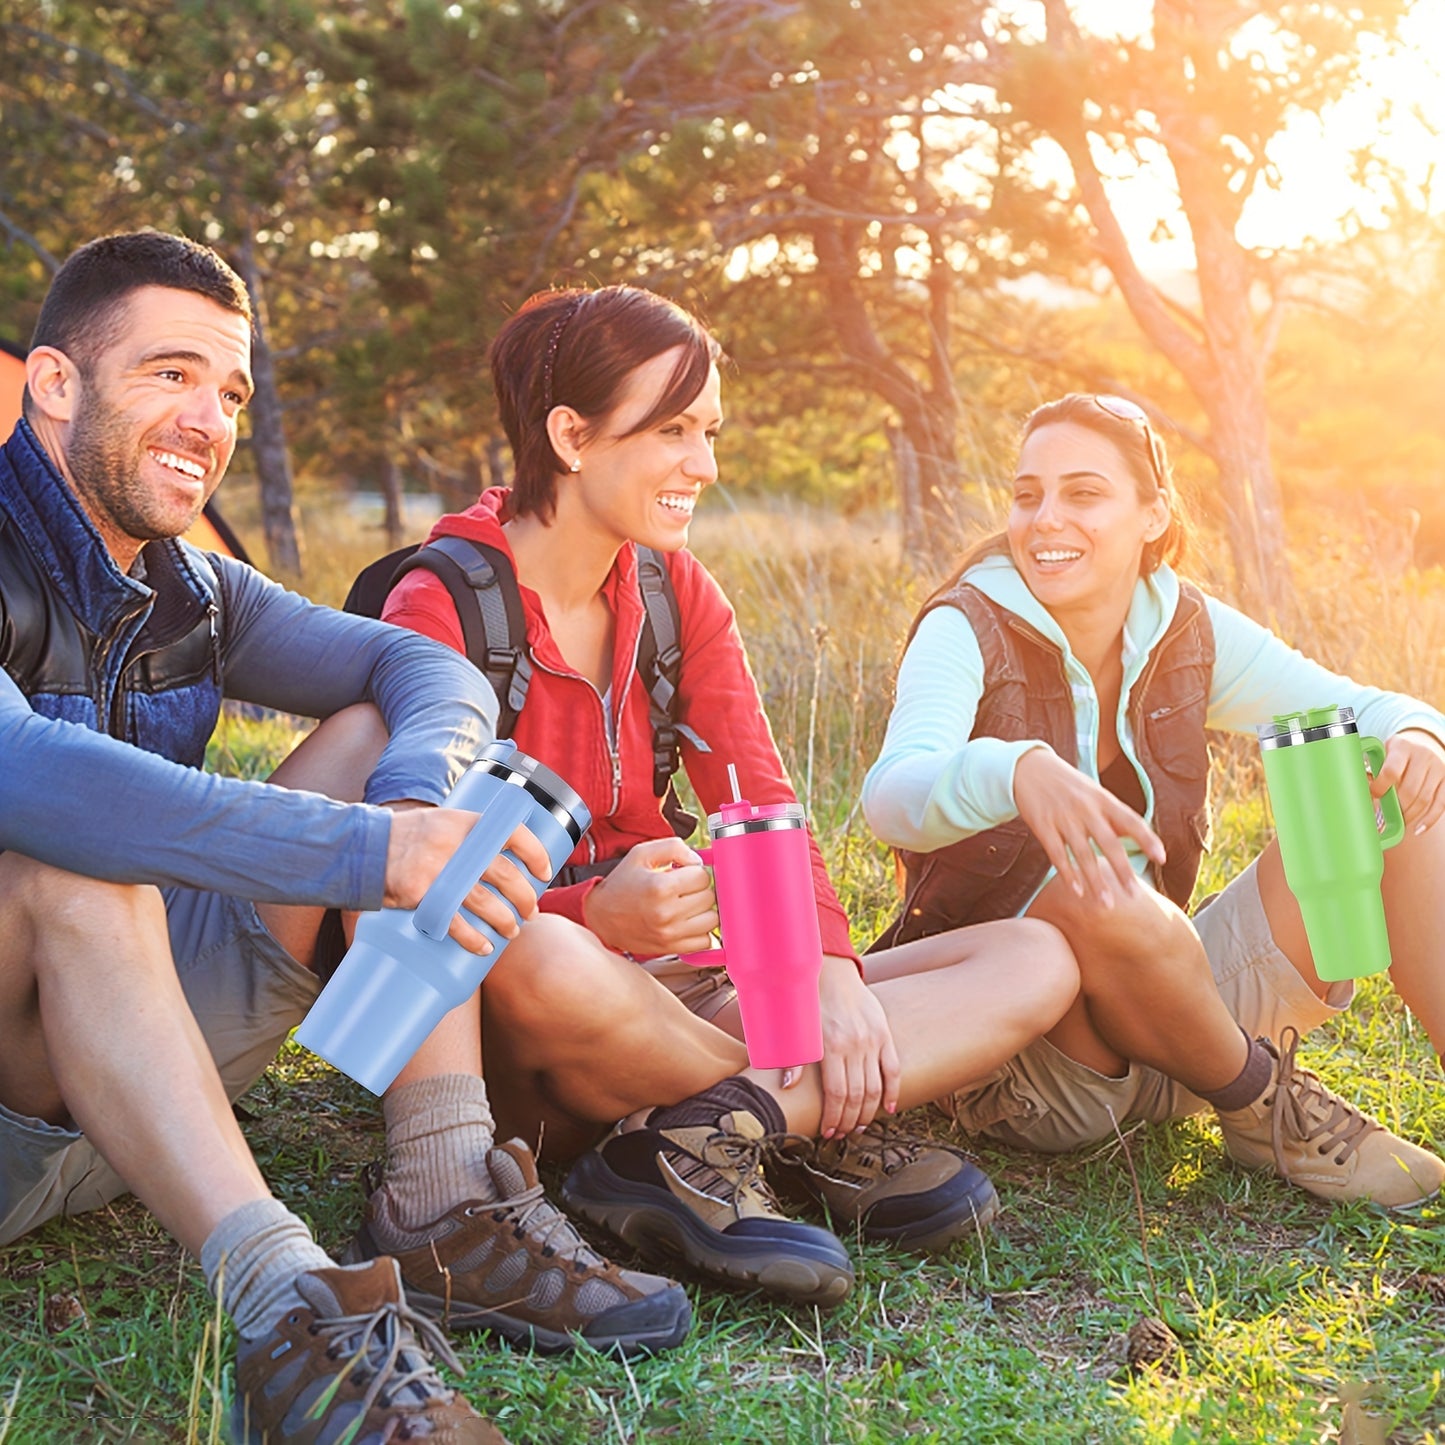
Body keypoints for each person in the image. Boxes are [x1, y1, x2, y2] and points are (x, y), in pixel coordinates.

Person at [0, 232, 690, 1445]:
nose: (205, 418)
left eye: (229, 391)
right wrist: (370, 857)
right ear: (55, 384)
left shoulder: (192, 587)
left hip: (120, 1083)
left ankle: (439, 1200)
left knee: (384, 731)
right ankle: (283, 1307)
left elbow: (416, 663)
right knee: (74, 854)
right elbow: (31, 777)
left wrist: (416, 807)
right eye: (169, 373)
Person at [373, 284, 1080, 1309]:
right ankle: (795, 1118)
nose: (703, 465)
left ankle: (706, 1133)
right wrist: (592, 911)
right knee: (543, 953)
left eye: (706, 431)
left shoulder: (675, 590)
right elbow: (419, 892)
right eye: (671, 430)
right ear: (569, 434)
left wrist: (832, 974)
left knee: (1031, 953)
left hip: (687, 987)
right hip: (536, 1013)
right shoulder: (441, 602)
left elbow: (761, 798)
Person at [862, 391, 1445, 1209]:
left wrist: (1419, 736)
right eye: (1027, 494)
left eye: (1083, 492)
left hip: (1175, 1015)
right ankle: (1262, 1103)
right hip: (1045, 1063)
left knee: (1396, 789)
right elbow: (890, 796)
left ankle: (1237, 1081)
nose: (1044, 519)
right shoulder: (967, 626)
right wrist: (1013, 769)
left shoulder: (1185, 624)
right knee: (1101, 887)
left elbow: (1357, 707)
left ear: (1151, 514)